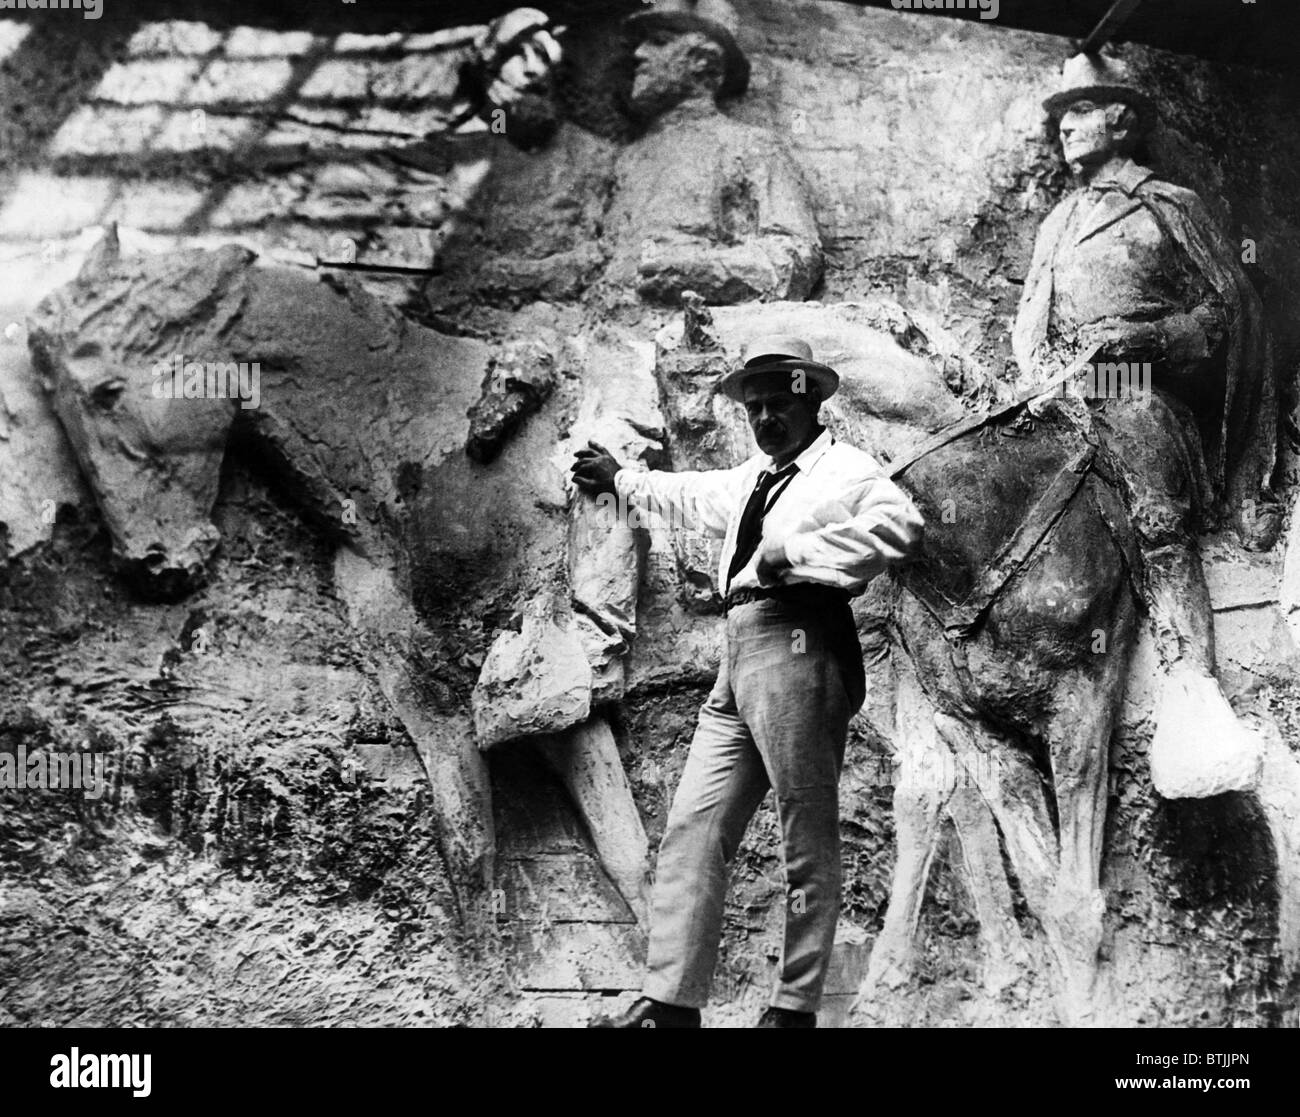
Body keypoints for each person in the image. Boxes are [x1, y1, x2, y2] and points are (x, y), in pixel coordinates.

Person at [571, 336, 924, 1027]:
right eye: (754, 406)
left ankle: (793, 1007)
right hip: (738, 655)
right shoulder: (752, 480)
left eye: (777, 403)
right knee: (693, 828)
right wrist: (621, 478)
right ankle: (671, 1004)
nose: (765, 418)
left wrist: (794, 550)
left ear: (812, 398)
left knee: (805, 831)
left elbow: (901, 527)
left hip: (802, 641)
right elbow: (686, 493)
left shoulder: (846, 470)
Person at [1012, 52, 1277, 797]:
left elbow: (1228, 312)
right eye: (1060, 112)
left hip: (1141, 381)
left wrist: (1149, 341)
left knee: (1150, 485)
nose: (1065, 123)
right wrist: (1033, 380)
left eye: (1084, 107)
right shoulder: (1059, 222)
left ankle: (1194, 690)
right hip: (1062, 383)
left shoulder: (1170, 203)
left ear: (1123, 119)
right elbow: (1031, 320)